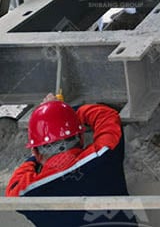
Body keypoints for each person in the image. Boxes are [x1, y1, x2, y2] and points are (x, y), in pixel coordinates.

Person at [6, 95, 139, 226]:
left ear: (36, 152)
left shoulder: (24, 195)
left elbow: (14, 187)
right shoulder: (103, 156)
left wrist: (33, 159)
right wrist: (66, 112)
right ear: (81, 139)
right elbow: (106, 115)